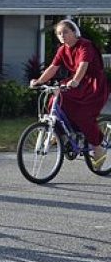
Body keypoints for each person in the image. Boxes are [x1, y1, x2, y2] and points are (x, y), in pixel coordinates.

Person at [30, 18, 110, 164]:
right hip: (76, 84)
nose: (62, 35)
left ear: (74, 32)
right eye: (59, 33)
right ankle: (58, 130)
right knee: (55, 97)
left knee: (83, 114)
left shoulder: (85, 45)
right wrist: (39, 81)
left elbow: (82, 66)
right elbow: (53, 68)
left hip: (93, 85)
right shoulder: (62, 49)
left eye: (65, 32)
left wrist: (75, 81)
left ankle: (98, 147)